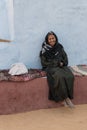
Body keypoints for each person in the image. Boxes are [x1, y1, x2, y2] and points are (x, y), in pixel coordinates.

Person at [40, 31, 75, 108]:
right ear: (47, 40)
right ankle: (65, 98)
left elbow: (65, 58)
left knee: (70, 76)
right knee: (59, 76)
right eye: (50, 39)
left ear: (56, 38)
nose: (52, 40)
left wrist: (63, 62)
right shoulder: (44, 50)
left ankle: (67, 97)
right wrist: (55, 63)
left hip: (61, 66)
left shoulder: (59, 47)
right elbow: (44, 63)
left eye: (53, 38)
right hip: (50, 68)